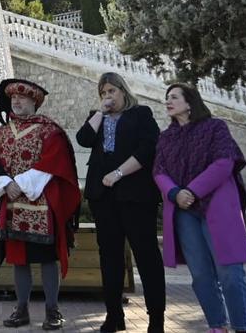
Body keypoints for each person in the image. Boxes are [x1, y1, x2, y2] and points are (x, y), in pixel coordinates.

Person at [154, 83, 246, 333]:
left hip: (217, 207)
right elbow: (159, 171)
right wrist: (176, 193)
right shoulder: (166, 137)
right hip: (184, 212)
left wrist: (192, 190)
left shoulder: (215, 128)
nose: (168, 101)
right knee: (200, 276)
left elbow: (224, 163)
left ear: (190, 103)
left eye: (174, 97)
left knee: (230, 273)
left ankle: (243, 327)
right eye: (167, 97)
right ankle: (217, 326)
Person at [0, 78, 80, 331]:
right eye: (13, 98)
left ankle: (52, 310)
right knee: (19, 259)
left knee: (47, 258)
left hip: (42, 205)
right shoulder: (2, 132)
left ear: (34, 101)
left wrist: (21, 183)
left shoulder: (49, 130)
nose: (16, 101)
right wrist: (7, 183)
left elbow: (54, 162)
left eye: (23, 97)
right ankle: (22, 309)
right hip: (12, 205)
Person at [76, 72, 165, 332]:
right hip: (104, 198)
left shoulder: (141, 114)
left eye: (112, 91)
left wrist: (118, 173)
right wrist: (99, 113)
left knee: (146, 254)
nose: (107, 97)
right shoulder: (98, 118)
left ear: (123, 92)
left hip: (136, 195)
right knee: (110, 256)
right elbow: (83, 140)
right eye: (103, 93)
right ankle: (114, 315)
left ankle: (156, 319)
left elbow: (148, 149)